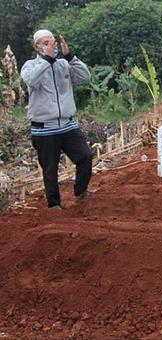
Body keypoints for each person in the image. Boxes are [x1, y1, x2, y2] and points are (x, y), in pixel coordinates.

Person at [21, 29, 92, 209]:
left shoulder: (63, 64)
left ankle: (81, 191)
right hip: (44, 128)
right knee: (50, 169)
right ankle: (54, 204)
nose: (51, 46)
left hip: (67, 125)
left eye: (52, 42)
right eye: (46, 43)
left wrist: (69, 57)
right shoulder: (30, 66)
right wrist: (47, 60)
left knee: (85, 156)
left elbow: (85, 77)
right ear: (37, 48)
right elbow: (31, 81)